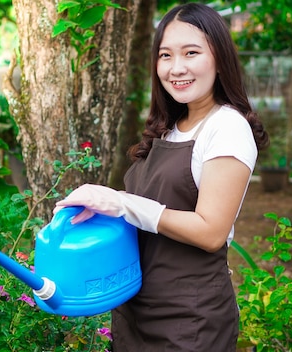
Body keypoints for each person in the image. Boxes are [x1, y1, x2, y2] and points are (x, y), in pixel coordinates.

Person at [55, 3, 269, 351]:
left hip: (189, 322)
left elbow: (211, 231)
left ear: (219, 58)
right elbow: (141, 221)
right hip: (135, 313)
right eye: (165, 55)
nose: (176, 67)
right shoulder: (169, 128)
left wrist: (123, 202)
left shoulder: (226, 127)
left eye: (191, 52)